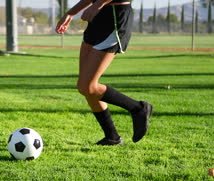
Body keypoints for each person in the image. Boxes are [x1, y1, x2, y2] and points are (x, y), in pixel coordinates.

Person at [56, 0, 153, 145]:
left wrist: (98, 4)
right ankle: (112, 137)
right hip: (98, 18)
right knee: (85, 87)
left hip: (115, 16)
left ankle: (138, 108)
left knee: (88, 86)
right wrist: (70, 13)